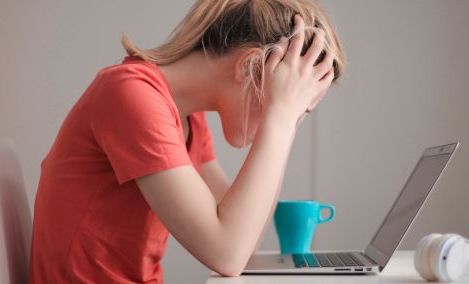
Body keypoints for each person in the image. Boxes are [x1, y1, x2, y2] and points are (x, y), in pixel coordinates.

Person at [29, 0, 345, 283]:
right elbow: (227, 253)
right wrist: (280, 118)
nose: (292, 116)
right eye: (292, 101)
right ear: (250, 67)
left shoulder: (188, 118)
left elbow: (246, 237)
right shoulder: (131, 95)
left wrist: (284, 123)